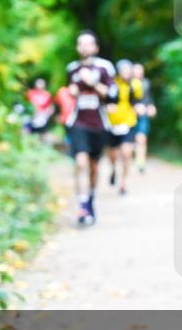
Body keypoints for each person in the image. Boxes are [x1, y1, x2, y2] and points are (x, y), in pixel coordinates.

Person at [65, 30, 116, 226]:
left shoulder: (104, 68)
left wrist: (92, 82)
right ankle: (82, 204)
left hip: (100, 124)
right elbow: (70, 91)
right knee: (80, 162)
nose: (84, 47)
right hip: (78, 122)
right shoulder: (72, 69)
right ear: (78, 47)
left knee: (94, 167)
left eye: (88, 44)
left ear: (95, 47)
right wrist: (72, 91)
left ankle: (91, 198)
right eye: (81, 44)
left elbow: (111, 95)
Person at [106, 59, 142, 195]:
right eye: (123, 70)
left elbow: (139, 101)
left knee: (127, 153)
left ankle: (123, 183)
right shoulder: (112, 84)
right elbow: (106, 100)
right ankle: (113, 169)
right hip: (113, 124)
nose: (126, 73)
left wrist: (140, 107)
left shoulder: (136, 85)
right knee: (113, 154)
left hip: (129, 122)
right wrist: (108, 106)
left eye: (128, 70)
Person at [131, 63, 156, 174]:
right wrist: (134, 107)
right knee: (129, 143)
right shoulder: (127, 83)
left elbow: (148, 98)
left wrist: (151, 106)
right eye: (137, 70)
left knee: (142, 139)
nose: (139, 73)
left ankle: (140, 164)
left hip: (142, 116)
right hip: (128, 117)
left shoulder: (146, 83)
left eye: (141, 71)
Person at [25, 77, 56, 144]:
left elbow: (50, 106)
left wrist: (48, 112)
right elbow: (26, 103)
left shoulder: (47, 95)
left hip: (42, 116)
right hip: (31, 115)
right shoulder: (30, 93)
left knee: (41, 131)